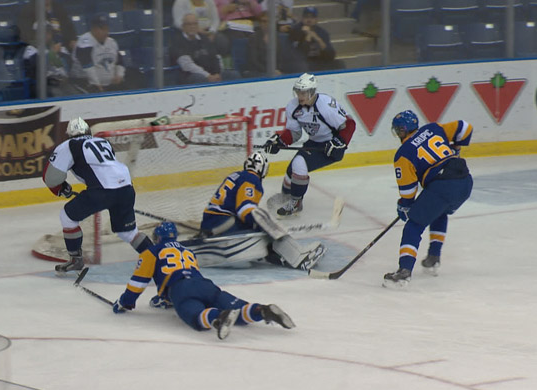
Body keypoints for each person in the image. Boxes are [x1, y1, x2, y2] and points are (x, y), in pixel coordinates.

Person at [112, 222, 296, 340]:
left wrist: (124, 302)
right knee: (238, 308)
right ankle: (262, 310)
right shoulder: (188, 251)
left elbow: (138, 282)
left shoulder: (151, 252)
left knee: (195, 316)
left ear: (157, 238)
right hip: (205, 285)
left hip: (181, 290)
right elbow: (185, 273)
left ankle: (218, 317)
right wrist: (164, 298)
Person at [42, 117, 153, 275]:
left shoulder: (69, 145)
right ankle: (156, 258)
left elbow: (51, 178)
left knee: (67, 216)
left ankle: (75, 260)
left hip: (102, 192)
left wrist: (62, 189)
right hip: (126, 188)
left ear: (69, 135)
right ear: (88, 131)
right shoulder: (102, 141)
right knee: (128, 232)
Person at [382, 110, 473, 288]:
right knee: (439, 211)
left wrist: (405, 206)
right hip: (465, 182)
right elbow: (465, 128)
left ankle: (404, 272)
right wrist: (456, 149)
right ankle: (433, 258)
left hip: (442, 186)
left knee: (413, 226)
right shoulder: (434, 128)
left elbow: (408, 190)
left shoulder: (403, 154)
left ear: (401, 131)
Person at [196, 151, 325, 270]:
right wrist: (267, 226)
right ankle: (298, 256)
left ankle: (270, 254)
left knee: (259, 222)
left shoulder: (235, 175)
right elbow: (244, 209)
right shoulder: (251, 179)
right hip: (224, 222)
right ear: (263, 169)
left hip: (209, 223)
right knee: (262, 219)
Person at [263, 73, 356, 216]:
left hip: (331, 147)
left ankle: (296, 203)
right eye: (298, 92)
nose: (299, 95)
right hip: (314, 143)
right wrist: (279, 142)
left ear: (312, 92)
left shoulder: (326, 105)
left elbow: (349, 124)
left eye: (303, 92)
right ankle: (286, 197)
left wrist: (340, 142)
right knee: (291, 171)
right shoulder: (293, 107)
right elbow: (294, 133)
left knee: (299, 163)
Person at [69, 15, 137, 93]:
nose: (106, 32)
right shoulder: (85, 42)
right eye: (102, 29)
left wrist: (119, 75)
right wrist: (95, 83)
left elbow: (120, 62)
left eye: (106, 29)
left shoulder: (111, 42)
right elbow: (87, 65)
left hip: (108, 85)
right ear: (93, 29)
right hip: (84, 83)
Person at [170, 13, 241, 84]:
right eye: (189, 24)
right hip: (191, 76)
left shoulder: (204, 38)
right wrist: (207, 76)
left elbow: (216, 56)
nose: (192, 26)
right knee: (199, 78)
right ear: (183, 26)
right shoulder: (178, 41)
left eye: (195, 24)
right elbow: (187, 65)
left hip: (212, 74)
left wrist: (217, 74)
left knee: (233, 75)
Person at [23, 24, 79, 98]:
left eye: (48, 33)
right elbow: (36, 68)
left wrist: (59, 54)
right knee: (57, 96)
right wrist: (52, 54)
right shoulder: (31, 49)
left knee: (78, 96)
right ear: (35, 34)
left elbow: (70, 64)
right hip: (44, 85)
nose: (46, 35)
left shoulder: (59, 47)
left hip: (64, 83)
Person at [243, 12, 306, 78]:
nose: (266, 24)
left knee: (299, 66)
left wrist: (277, 69)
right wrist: (270, 71)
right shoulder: (254, 38)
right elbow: (254, 61)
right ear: (259, 23)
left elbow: (280, 57)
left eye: (269, 21)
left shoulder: (275, 36)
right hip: (258, 71)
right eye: (264, 21)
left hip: (275, 70)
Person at [288, 7, 340, 72]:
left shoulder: (322, 32)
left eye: (312, 17)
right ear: (302, 19)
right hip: (302, 62)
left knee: (338, 64)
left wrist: (318, 39)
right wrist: (308, 36)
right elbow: (300, 53)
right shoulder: (296, 30)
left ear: (316, 19)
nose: (309, 20)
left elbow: (331, 55)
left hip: (318, 61)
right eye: (306, 17)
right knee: (303, 66)